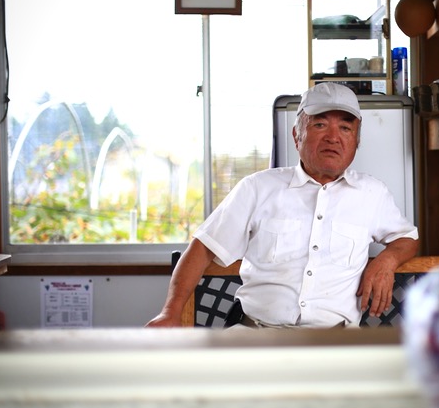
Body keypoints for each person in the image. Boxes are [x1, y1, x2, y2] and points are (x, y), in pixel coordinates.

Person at [146, 82, 419, 329]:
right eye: (320, 125)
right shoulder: (257, 187)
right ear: (296, 135)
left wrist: (387, 260)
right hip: (256, 336)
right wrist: (170, 312)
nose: (333, 137)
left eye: (346, 128)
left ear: (356, 142)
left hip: (334, 345)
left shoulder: (372, 194)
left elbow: (407, 238)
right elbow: (203, 248)